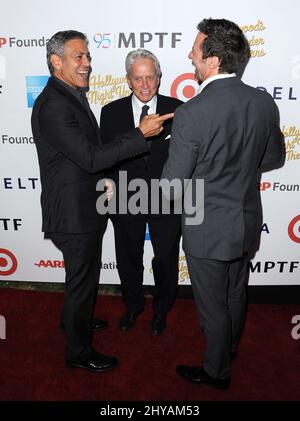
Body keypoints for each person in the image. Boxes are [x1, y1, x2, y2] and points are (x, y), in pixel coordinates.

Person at [31, 30, 173, 373]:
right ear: (56, 61)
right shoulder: (54, 104)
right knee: (82, 282)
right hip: (74, 213)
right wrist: (140, 135)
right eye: (79, 57)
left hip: (85, 206)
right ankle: (78, 352)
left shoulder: (70, 95)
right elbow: (91, 157)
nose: (87, 64)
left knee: (80, 279)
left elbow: (87, 157)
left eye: (88, 57)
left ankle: (74, 322)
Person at [161, 18, 285, 389]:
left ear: (212, 60)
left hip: (207, 229)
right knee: (234, 294)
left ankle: (217, 372)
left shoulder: (191, 113)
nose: (190, 55)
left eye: (195, 51)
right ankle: (227, 349)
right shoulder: (263, 102)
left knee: (213, 306)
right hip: (246, 221)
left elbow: (171, 186)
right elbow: (274, 157)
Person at [100, 49, 182, 336]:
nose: (145, 85)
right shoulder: (110, 112)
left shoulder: (179, 109)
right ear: (128, 80)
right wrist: (108, 200)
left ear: (159, 78)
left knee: (166, 258)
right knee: (128, 256)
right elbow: (105, 159)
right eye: (138, 78)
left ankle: (161, 310)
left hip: (167, 199)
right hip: (125, 199)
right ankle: (132, 306)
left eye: (150, 77)